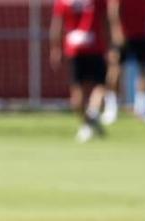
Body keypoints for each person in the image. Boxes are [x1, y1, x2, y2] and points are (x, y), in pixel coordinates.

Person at [50, 0, 110, 142]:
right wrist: (55, 48)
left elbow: (56, 26)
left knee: (93, 88)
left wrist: (55, 49)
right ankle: (90, 121)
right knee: (90, 90)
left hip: (87, 49)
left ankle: (88, 122)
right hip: (84, 49)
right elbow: (106, 20)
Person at [103, 0, 145, 123]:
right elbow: (113, 10)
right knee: (116, 70)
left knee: (143, 70)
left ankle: (142, 109)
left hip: (142, 34)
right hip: (123, 35)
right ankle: (111, 108)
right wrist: (117, 31)